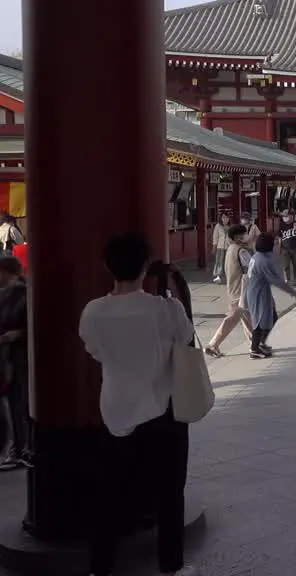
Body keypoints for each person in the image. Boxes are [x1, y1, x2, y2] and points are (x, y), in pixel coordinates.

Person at [79, 233, 193, 576]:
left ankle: (100, 568)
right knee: (170, 495)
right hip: (162, 411)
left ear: (106, 266)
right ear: (146, 266)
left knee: (108, 498)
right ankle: (170, 568)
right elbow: (186, 340)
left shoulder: (93, 312)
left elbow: (94, 351)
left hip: (115, 412)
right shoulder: (164, 308)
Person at [244, 232, 296, 359]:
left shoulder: (257, 256)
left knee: (272, 317)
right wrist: (291, 291)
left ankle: (261, 343)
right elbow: (276, 280)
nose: (275, 244)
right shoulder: (263, 261)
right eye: (273, 242)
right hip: (258, 293)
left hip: (259, 291)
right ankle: (254, 348)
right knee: (259, 320)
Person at [205, 224, 252, 358]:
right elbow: (252, 269)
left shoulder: (230, 249)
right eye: (244, 234)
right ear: (238, 237)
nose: (246, 236)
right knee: (233, 318)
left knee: (246, 318)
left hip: (232, 289)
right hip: (241, 290)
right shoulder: (241, 252)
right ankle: (213, 344)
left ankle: (255, 343)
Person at [0, 255, 28, 471]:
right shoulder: (5, 294)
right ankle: (15, 447)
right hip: (6, 355)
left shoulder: (23, 293)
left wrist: (17, 334)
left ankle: (20, 447)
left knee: (17, 402)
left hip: (17, 355)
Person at [278, 210, 296, 287]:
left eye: (286, 216)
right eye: (283, 216)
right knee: (285, 265)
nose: (284, 218)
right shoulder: (281, 225)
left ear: (291, 216)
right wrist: (280, 248)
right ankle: (287, 280)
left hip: (295, 248)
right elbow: (280, 237)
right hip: (284, 248)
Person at [210, 212, 231, 283]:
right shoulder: (218, 226)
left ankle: (227, 276)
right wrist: (214, 247)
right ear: (221, 218)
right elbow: (215, 237)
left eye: (226, 217)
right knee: (219, 261)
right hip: (220, 247)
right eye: (223, 217)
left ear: (228, 218)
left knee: (227, 262)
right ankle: (218, 276)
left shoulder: (230, 227)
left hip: (228, 247)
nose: (225, 219)